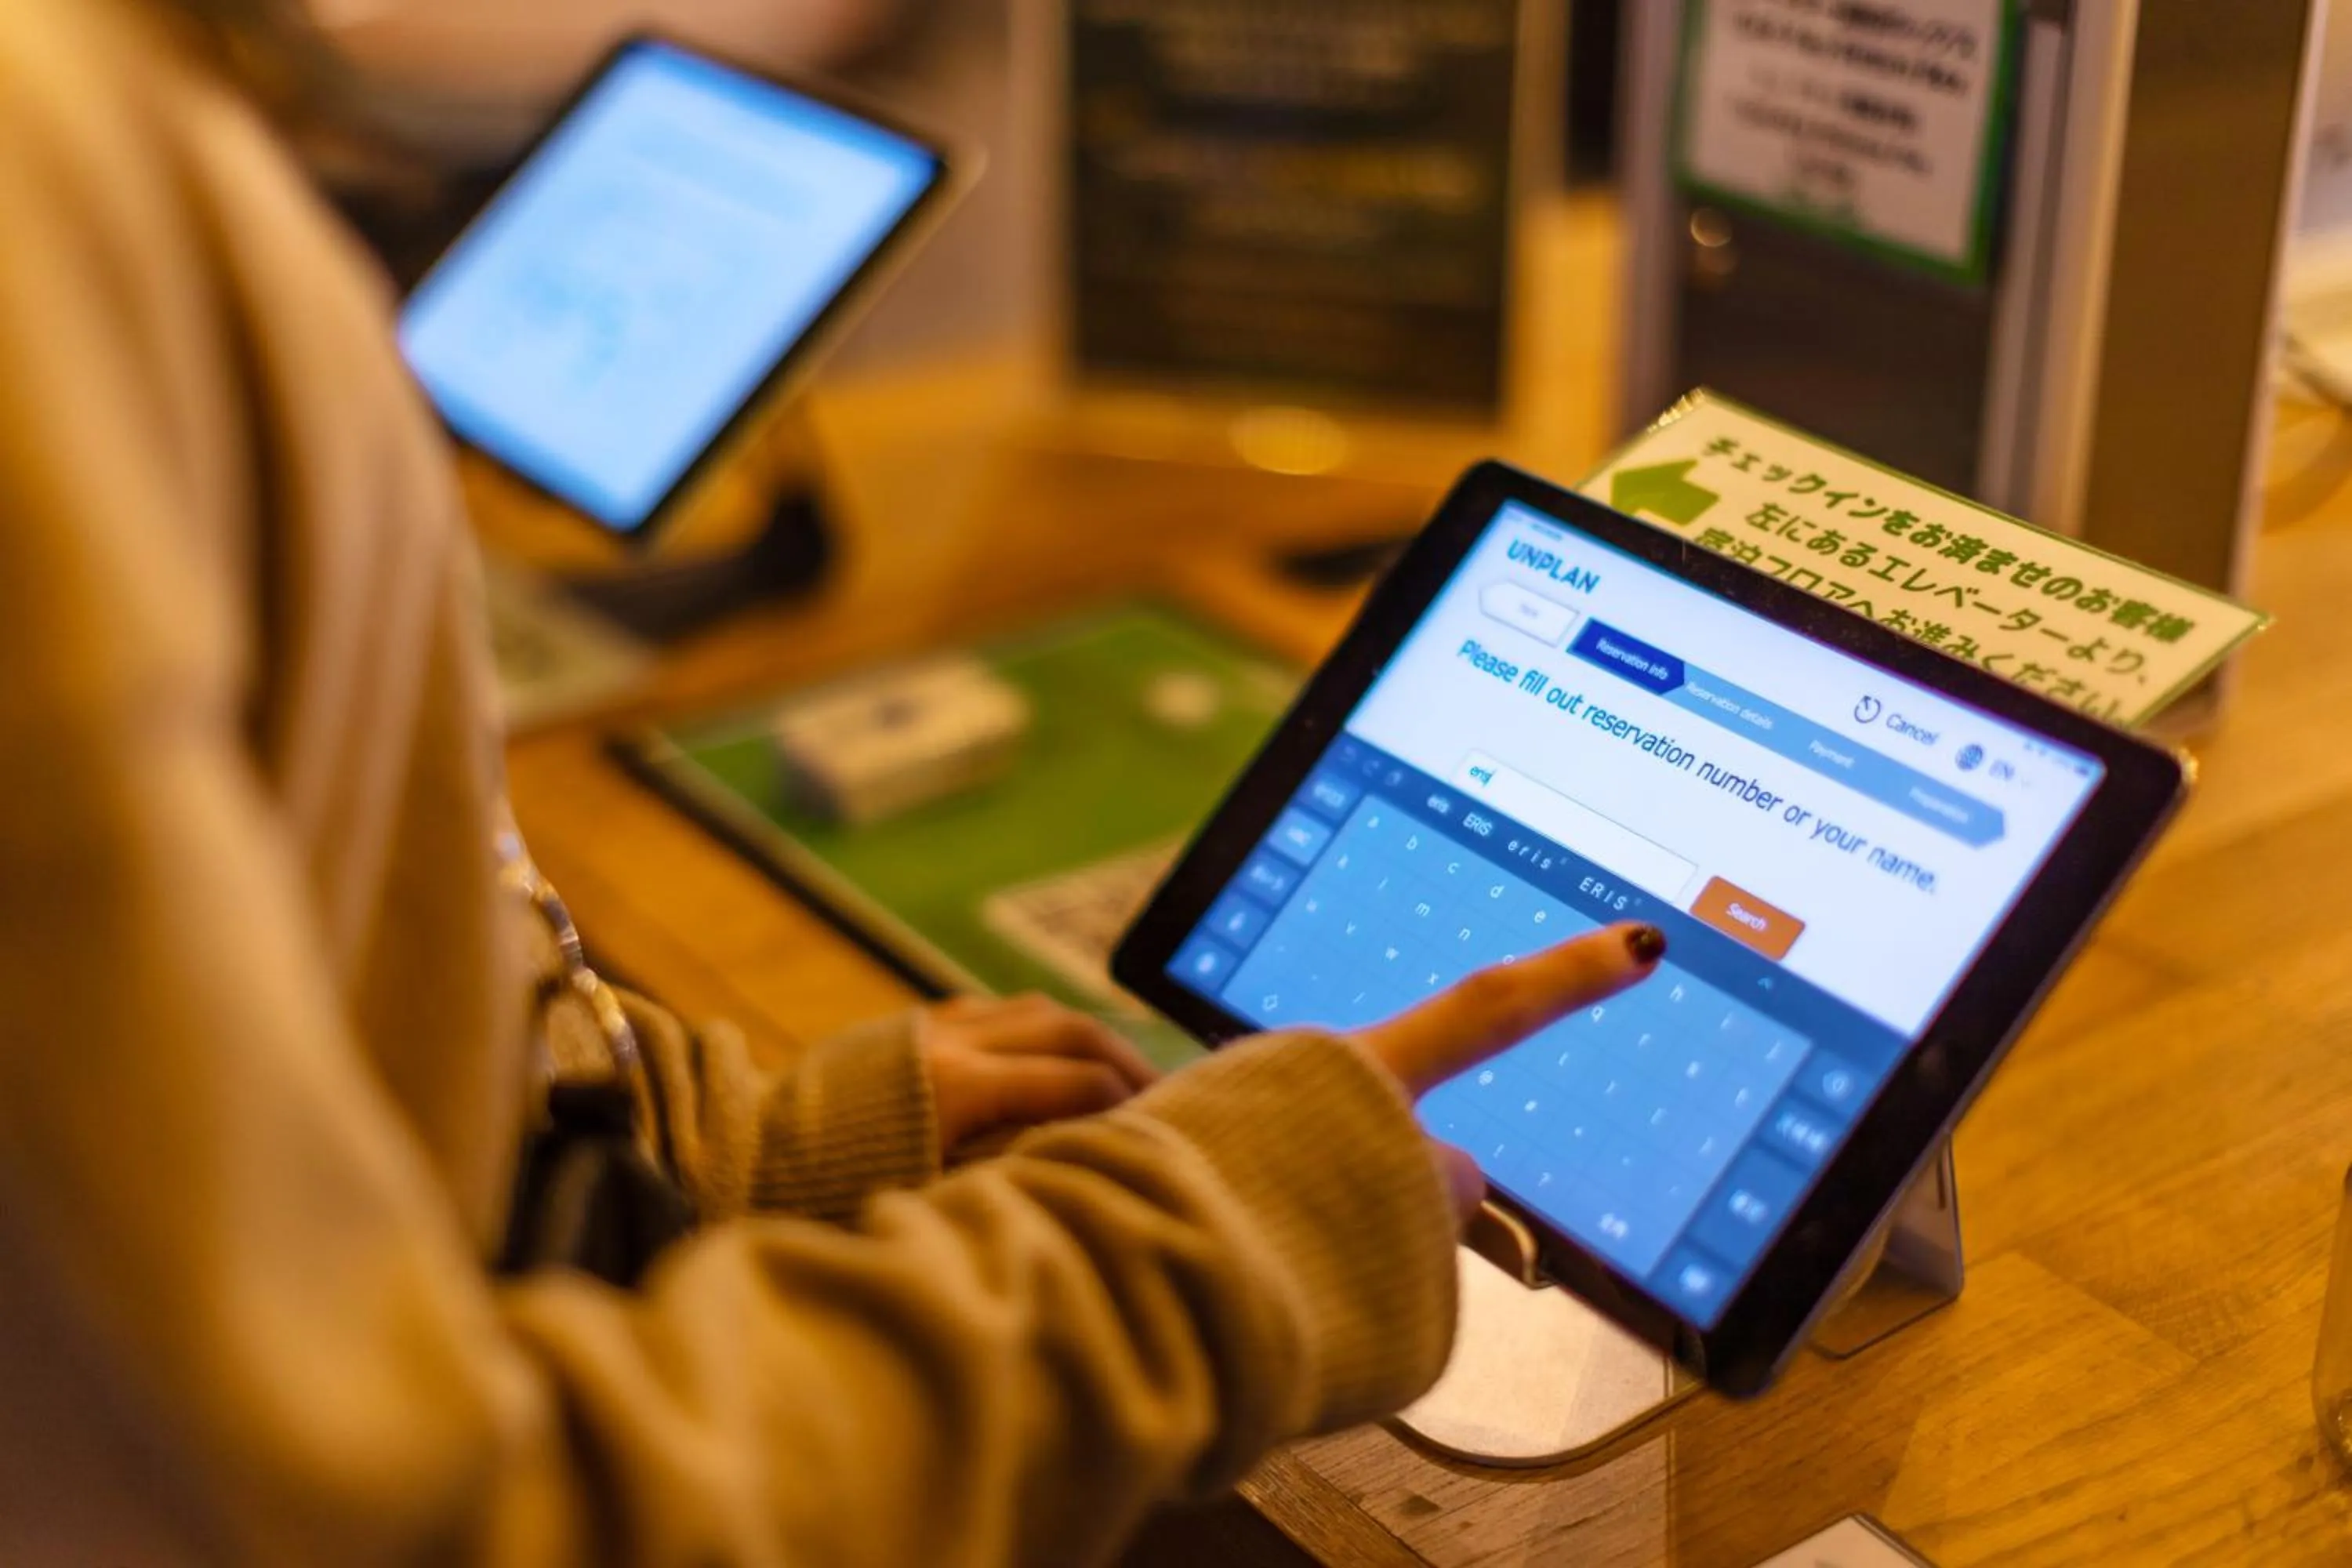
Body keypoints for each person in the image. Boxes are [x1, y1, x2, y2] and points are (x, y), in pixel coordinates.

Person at [0, 2, 1668, 1563]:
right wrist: (1199, 1253)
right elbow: (394, 1523)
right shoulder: (46, 204)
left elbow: (321, 982)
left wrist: (702, 1146)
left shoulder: (120, 122)